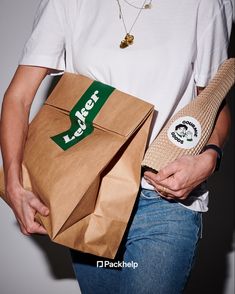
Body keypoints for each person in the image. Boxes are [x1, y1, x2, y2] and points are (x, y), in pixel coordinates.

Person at [0, 0, 233, 293]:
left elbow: (214, 103)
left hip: (165, 199)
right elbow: (18, 97)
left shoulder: (202, 4)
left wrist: (210, 157)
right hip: (89, 196)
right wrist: (13, 183)